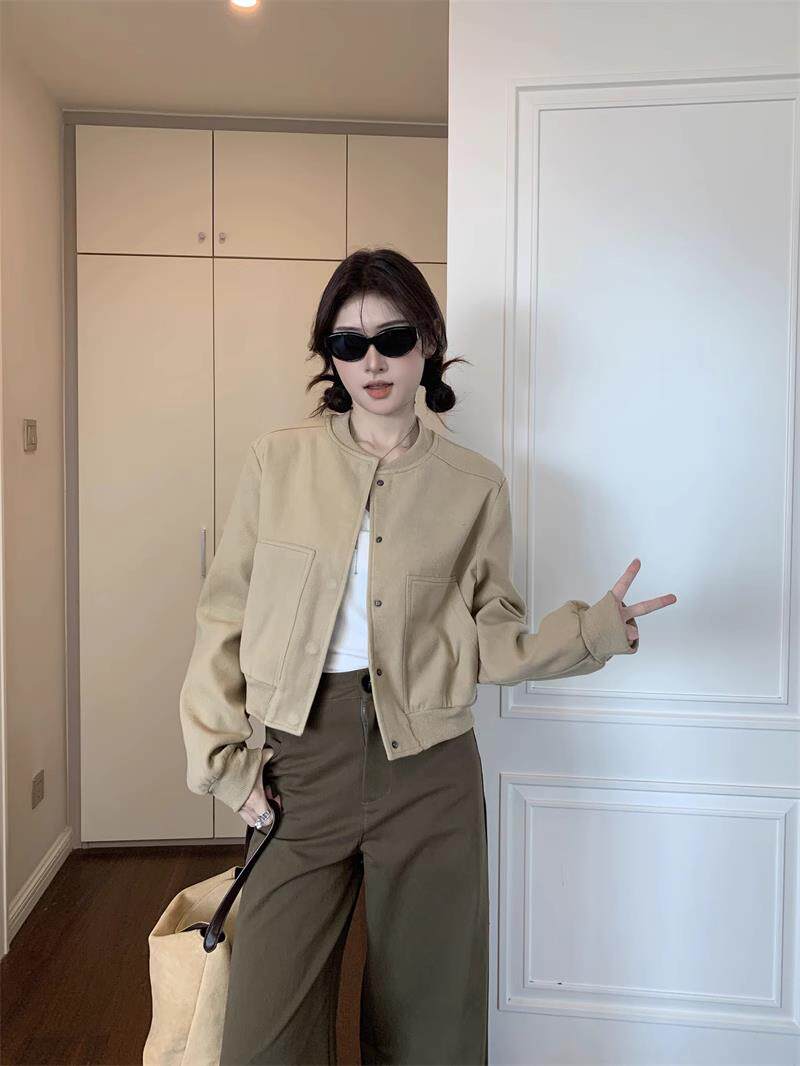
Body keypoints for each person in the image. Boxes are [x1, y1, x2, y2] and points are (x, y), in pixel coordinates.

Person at [178, 248, 677, 1066]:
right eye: (349, 344)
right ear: (331, 357)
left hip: (431, 770)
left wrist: (592, 632)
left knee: (431, 1028)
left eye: (394, 338)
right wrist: (225, 766)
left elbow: (491, 635)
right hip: (300, 763)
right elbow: (223, 614)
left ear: (428, 343)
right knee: (266, 1034)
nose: (373, 362)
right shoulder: (279, 460)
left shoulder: (475, 484)